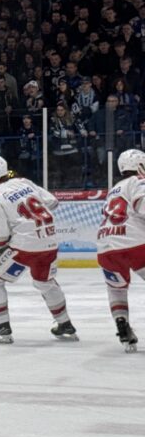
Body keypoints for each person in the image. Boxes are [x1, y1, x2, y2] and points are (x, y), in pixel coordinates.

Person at [0, 155, 76, 343]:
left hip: (24, 249)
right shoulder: (23, 182)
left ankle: (2, 326)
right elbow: (52, 202)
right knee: (45, 282)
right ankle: (65, 324)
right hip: (50, 242)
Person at [95, 149, 145, 351]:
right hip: (135, 242)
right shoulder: (139, 181)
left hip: (105, 247)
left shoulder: (114, 189)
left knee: (116, 288)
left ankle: (122, 323)